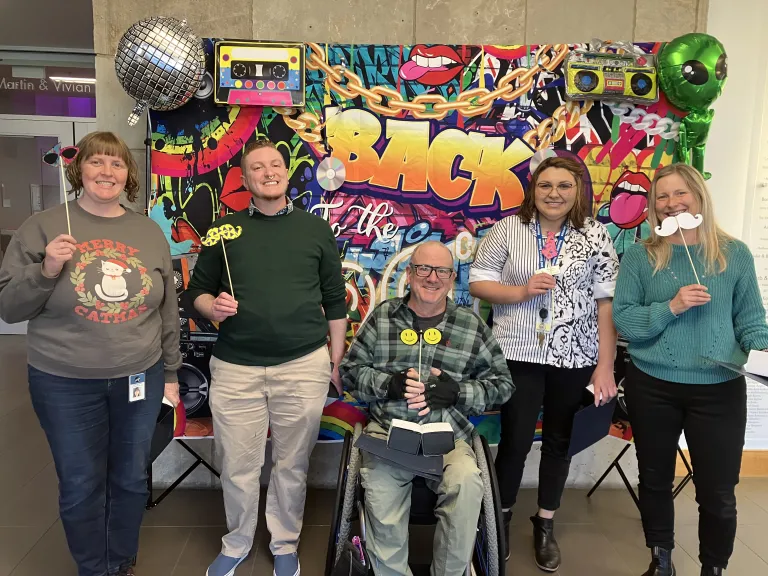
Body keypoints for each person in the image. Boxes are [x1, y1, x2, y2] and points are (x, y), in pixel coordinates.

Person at [0, 131, 182, 576]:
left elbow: (167, 308)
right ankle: (92, 568)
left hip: (140, 377)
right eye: (96, 162)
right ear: (77, 170)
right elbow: (8, 308)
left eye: (116, 164)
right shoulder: (42, 226)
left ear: (128, 174)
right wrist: (46, 269)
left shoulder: (147, 230)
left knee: (131, 478)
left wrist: (173, 373)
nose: (106, 171)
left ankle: (119, 562)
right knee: (81, 482)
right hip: (63, 381)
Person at [187, 138, 347, 576]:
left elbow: (335, 300)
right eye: (257, 167)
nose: (268, 172)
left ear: (286, 171)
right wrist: (211, 307)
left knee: (292, 463)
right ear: (245, 179)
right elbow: (194, 293)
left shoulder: (315, 230)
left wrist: (334, 362)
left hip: (303, 364)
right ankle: (236, 541)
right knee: (238, 464)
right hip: (236, 366)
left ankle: (285, 542)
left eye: (275, 164)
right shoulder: (223, 230)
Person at [613, 163, 768, 576]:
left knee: (718, 493)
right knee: (655, 479)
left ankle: (713, 567)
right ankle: (660, 560)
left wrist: (763, 342)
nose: (671, 203)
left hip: (719, 387)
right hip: (653, 385)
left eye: (680, 194)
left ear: (699, 197)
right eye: (661, 197)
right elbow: (625, 320)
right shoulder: (639, 257)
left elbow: (751, 320)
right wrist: (672, 306)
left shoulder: (733, 255)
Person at [468, 156, 619, 571]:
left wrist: (605, 365)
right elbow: (477, 281)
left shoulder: (595, 234)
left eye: (564, 186)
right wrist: (519, 291)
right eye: (545, 185)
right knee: (515, 440)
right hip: (519, 354)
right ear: (533, 190)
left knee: (559, 441)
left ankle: (545, 521)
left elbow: (607, 303)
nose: (554, 193)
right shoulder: (508, 229)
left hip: (576, 354)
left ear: (577, 192)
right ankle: (498, 518)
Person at [340, 241, 514, 576]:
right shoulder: (383, 317)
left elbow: (504, 386)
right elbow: (350, 373)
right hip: (389, 433)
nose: (432, 278)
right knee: (379, 486)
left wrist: (458, 392)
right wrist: (388, 384)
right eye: (423, 268)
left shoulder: (470, 325)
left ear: (451, 279)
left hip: (447, 436)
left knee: (466, 483)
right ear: (409, 274)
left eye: (442, 271)